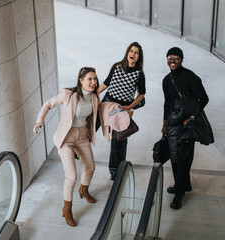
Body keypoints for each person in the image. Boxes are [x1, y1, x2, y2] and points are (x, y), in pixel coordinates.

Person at [33, 67, 100, 227]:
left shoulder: (94, 98)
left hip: (82, 136)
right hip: (66, 139)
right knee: (71, 176)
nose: (93, 82)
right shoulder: (68, 94)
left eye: (95, 79)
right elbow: (49, 104)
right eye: (90, 79)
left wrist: (122, 111)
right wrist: (39, 120)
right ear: (81, 80)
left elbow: (103, 110)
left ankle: (83, 190)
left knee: (90, 167)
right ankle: (67, 208)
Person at [162, 47, 209, 210]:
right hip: (174, 123)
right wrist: (164, 123)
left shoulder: (190, 77)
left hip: (188, 124)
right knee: (175, 156)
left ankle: (179, 193)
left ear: (181, 60)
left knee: (183, 158)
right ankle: (184, 184)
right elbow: (167, 103)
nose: (172, 60)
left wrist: (191, 117)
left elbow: (203, 99)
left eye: (176, 57)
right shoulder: (167, 80)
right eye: (169, 57)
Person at [97, 42, 146, 180]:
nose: (133, 54)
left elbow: (141, 94)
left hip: (120, 109)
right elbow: (106, 83)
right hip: (107, 103)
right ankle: (79, 148)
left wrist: (130, 107)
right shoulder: (116, 66)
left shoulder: (139, 74)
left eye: (136, 53)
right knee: (93, 121)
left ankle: (116, 170)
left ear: (139, 57)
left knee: (119, 139)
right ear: (127, 52)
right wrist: (93, 95)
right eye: (131, 51)